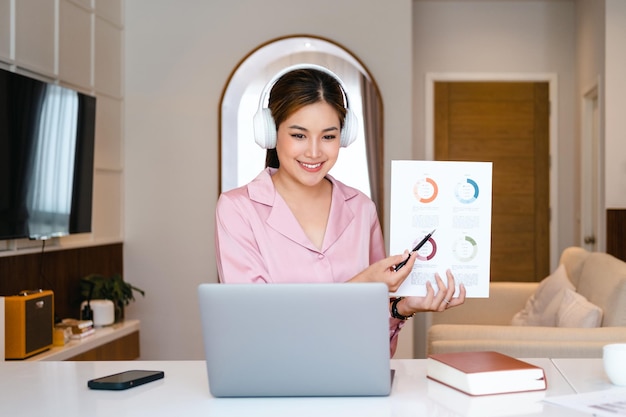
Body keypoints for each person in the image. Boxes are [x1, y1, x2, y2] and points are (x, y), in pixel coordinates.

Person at [215, 64, 465, 356]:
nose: (314, 152)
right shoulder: (238, 209)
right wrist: (361, 285)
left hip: (354, 379)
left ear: (343, 138)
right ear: (270, 132)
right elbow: (255, 325)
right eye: (298, 135)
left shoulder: (361, 209)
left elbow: (374, 342)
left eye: (328, 136)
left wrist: (401, 308)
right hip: (273, 385)